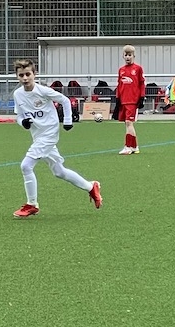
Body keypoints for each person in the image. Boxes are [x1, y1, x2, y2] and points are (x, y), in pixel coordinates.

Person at [11, 58, 102, 219]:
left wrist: (67, 121)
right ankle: (91, 187)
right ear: (17, 76)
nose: (25, 78)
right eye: (21, 75)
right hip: (37, 136)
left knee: (26, 166)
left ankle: (32, 204)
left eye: (28, 74)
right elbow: (19, 115)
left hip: (49, 135)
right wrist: (22, 122)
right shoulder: (18, 94)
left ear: (34, 74)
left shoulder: (43, 91)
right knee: (59, 172)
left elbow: (65, 100)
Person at [114, 44, 145, 155]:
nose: (128, 57)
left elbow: (142, 84)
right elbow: (119, 85)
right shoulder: (121, 70)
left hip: (132, 100)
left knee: (128, 122)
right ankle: (135, 146)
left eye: (130, 55)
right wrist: (117, 99)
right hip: (123, 101)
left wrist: (141, 97)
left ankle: (128, 146)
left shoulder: (138, 69)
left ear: (133, 56)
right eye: (126, 55)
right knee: (127, 124)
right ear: (123, 56)